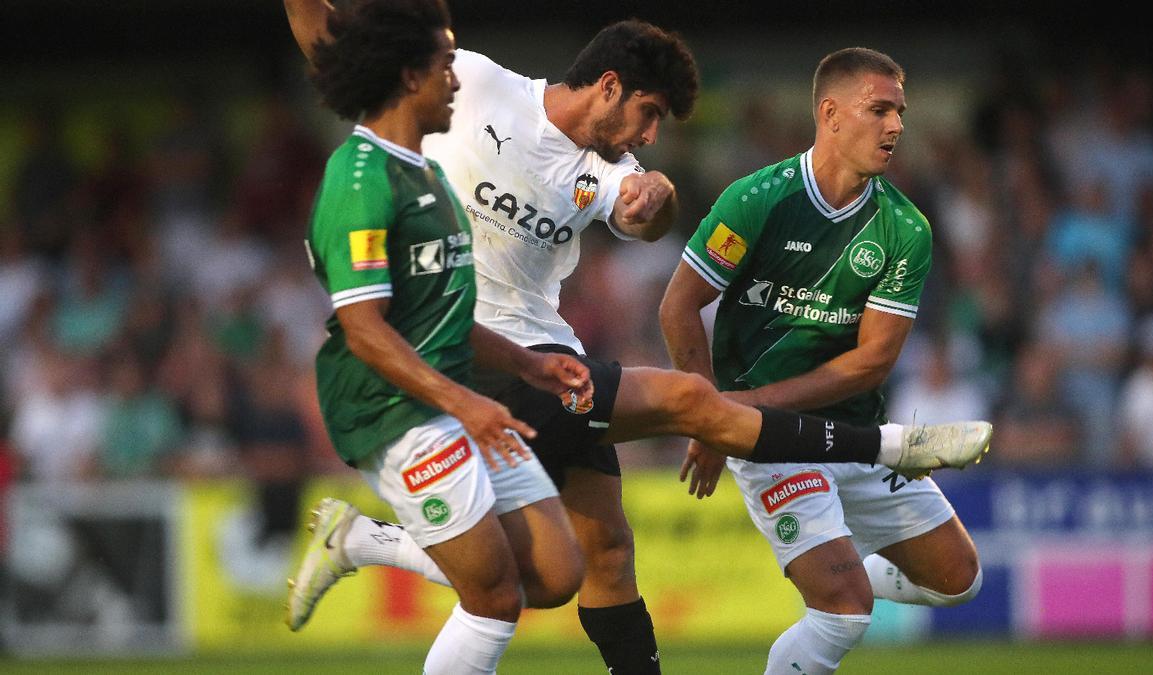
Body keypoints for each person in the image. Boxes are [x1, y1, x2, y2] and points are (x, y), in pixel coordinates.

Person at [284, 5, 991, 672]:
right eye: (647, 115)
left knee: (595, 558)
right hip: (473, 355)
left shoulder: (607, 170)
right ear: (610, 87)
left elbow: (644, 214)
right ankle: (896, 444)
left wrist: (661, 198)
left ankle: (366, 540)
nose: (648, 137)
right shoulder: (473, 87)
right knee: (687, 402)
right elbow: (341, 45)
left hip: (543, 356)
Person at [659, 48, 986, 674]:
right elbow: (678, 307)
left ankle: (845, 559)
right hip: (768, 442)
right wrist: (713, 418)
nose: (895, 126)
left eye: (900, 112)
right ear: (830, 114)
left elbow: (869, 365)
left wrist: (719, 413)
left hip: (853, 437)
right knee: (843, 610)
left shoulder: (905, 229)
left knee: (959, 579)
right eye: (879, 110)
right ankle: (841, 575)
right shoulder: (757, 200)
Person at [294, 2, 594, 672]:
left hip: (452, 395)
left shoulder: (425, 172)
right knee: (492, 595)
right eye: (445, 65)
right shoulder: (361, 179)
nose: (456, 80)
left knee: (555, 572)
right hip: (393, 407)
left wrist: (529, 365)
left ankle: (361, 539)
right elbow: (364, 329)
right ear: (408, 76)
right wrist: (468, 404)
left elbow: (445, 312)